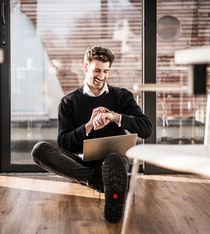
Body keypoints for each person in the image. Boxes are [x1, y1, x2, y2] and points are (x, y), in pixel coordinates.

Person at [31, 46, 152, 223]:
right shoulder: (68, 102)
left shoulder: (122, 96)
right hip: (82, 162)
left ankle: (102, 180)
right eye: (97, 70)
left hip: (113, 160)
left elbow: (146, 130)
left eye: (105, 71)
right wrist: (88, 126)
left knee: (114, 161)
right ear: (85, 68)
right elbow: (64, 144)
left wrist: (115, 117)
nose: (101, 76)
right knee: (39, 150)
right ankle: (101, 181)